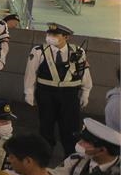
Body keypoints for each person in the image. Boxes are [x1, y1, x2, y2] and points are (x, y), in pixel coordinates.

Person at [23, 22, 92, 155]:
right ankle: (45, 154)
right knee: (46, 125)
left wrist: (86, 91)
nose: (50, 37)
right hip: (46, 93)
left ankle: (70, 155)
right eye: (49, 34)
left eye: (55, 35)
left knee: (70, 127)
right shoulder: (38, 51)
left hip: (69, 95)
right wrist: (28, 92)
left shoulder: (78, 51)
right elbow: (30, 73)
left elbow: (84, 72)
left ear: (66, 37)